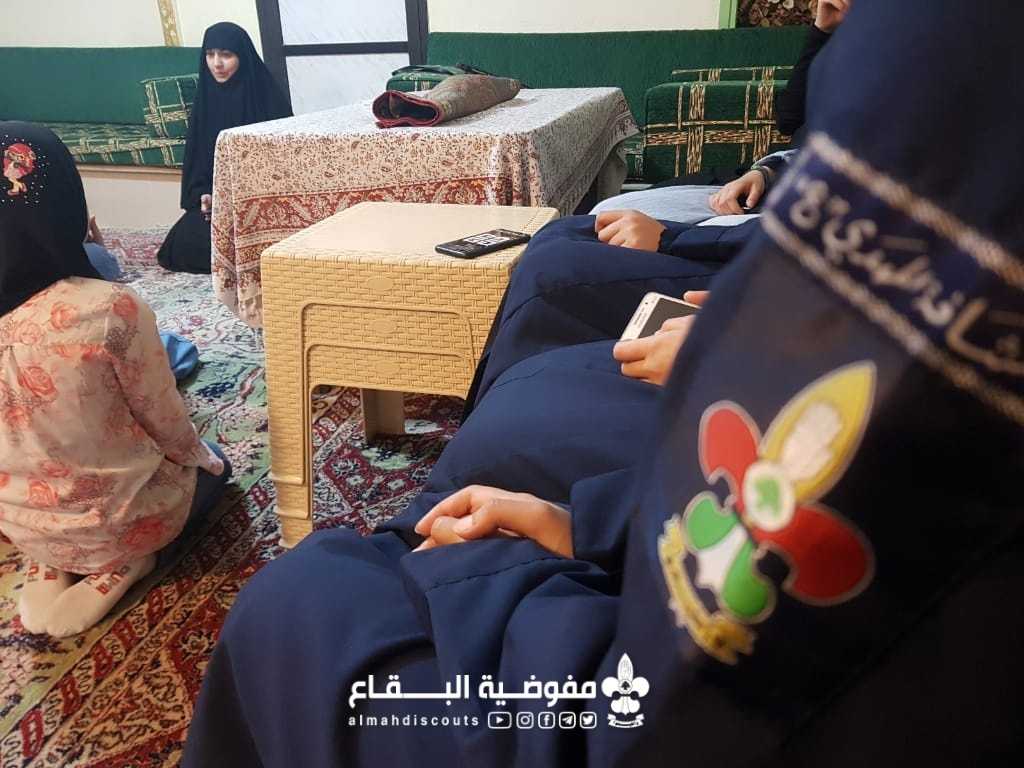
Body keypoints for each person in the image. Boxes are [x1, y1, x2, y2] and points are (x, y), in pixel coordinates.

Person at [185, 1, 1023, 765]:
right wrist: (583, 522)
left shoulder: (949, 63)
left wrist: (545, 555)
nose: (822, 10)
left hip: (638, 688)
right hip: (656, 582)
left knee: (293, 600)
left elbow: (692, 674)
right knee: (525, 351)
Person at [0, 123, 232, 638]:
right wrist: (205, 460)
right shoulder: (107, 308)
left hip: (19, 520)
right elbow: (169, 426)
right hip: (120, 520)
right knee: (216, 467)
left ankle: (49, 560)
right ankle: (125, 563)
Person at [158, 22, 291, 274]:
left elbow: (284, 162)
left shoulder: (267, 98)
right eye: (210, 55)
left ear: (242, 57)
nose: (216, 64)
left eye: (226, 55)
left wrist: (248, 196)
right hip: (219, 205)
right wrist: (204, 194)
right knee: (183, 246)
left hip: (263, 202)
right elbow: (198, 161)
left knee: (267, 246)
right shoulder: (206, 101)